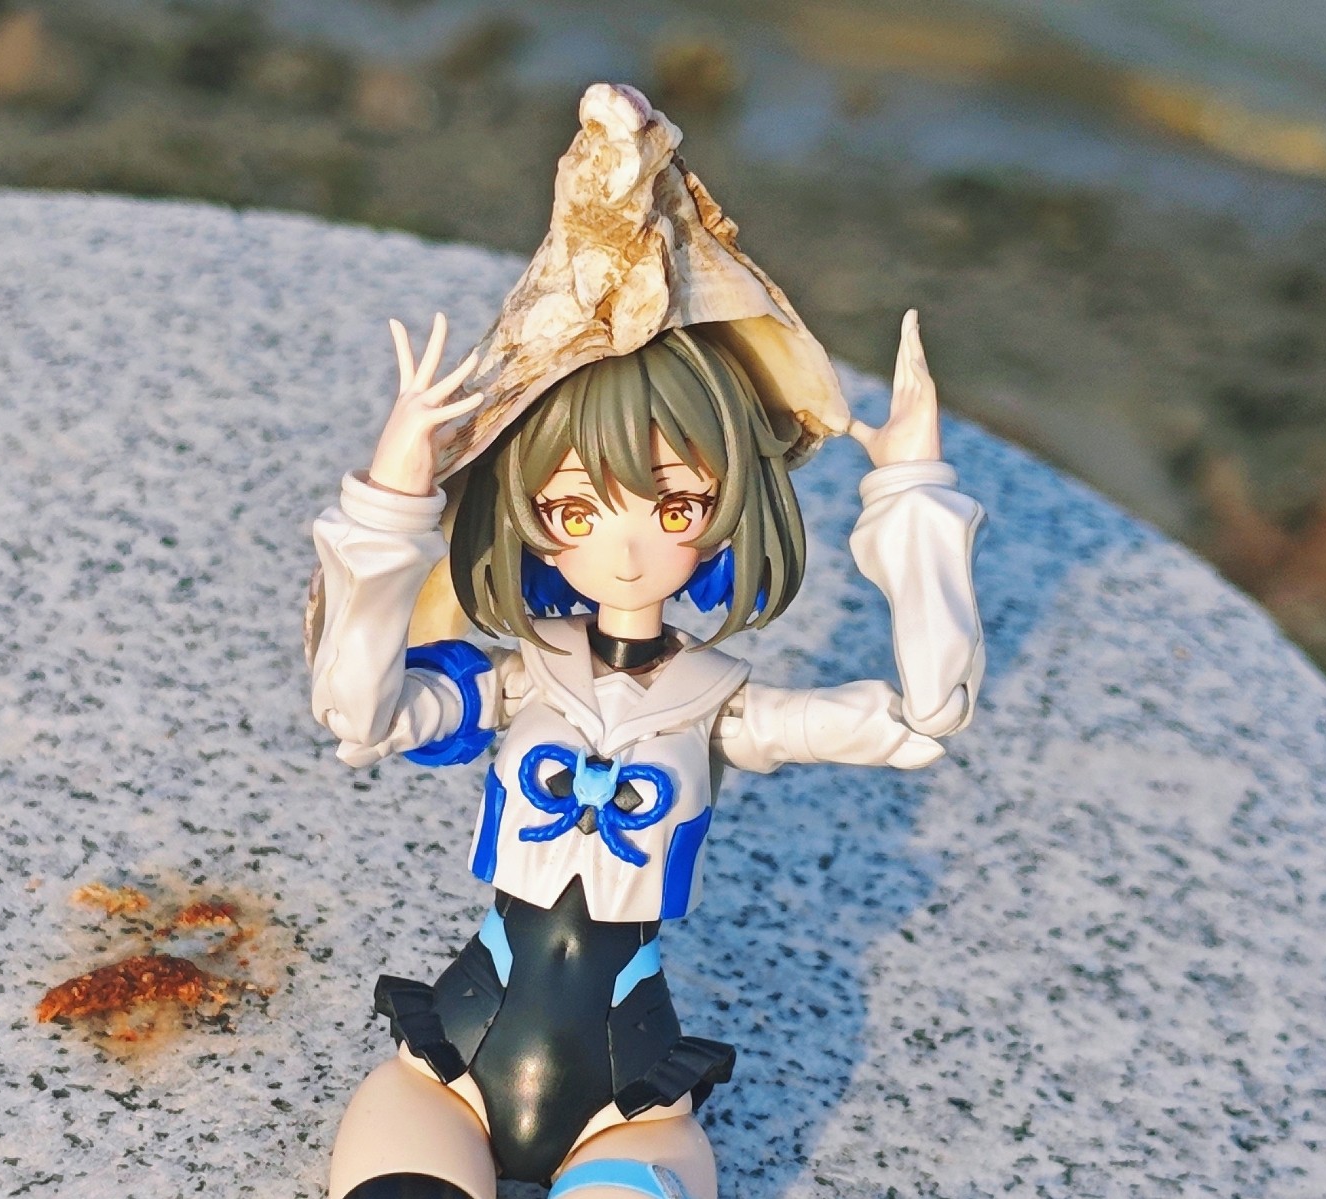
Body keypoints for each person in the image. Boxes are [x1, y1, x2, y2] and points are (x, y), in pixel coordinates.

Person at [306, 84, 986, 1199]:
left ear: (724, 508)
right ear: (530, 514)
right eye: (575, 510)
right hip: (450, 1072)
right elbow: (357, 711)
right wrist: (394, 498)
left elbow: (922, 717)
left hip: (627, 1100)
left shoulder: (721, 704)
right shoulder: (515, 677)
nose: (625, 549)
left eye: (674, 505)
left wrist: (912, 492)